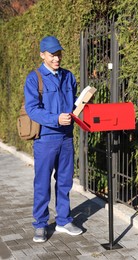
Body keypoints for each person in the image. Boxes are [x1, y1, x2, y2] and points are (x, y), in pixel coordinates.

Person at [24, 35, 83, 242]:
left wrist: (82, 102)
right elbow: (32, 110)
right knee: (42, 183)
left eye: (59, 54)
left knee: (65, 181)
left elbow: (73, 102)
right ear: (42, 55)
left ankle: (64, 221)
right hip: (46, 139)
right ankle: (40, 224)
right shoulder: (34, 78)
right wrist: (56, 119)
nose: (57, 59)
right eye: (52, 55)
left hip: (66, 138)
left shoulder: (69, 76)